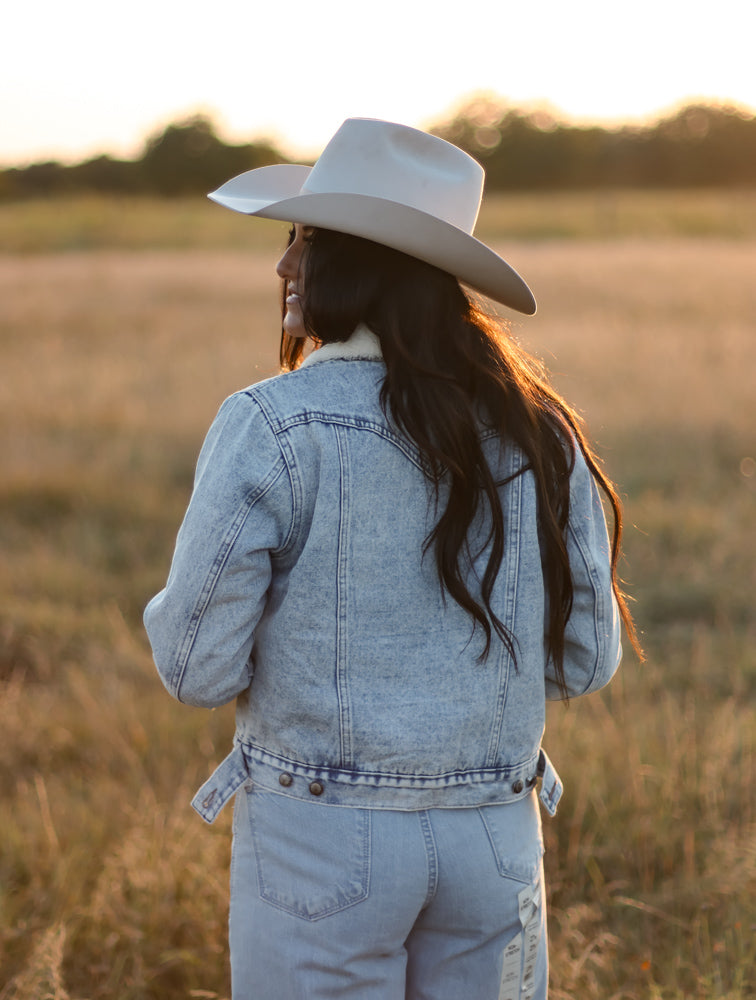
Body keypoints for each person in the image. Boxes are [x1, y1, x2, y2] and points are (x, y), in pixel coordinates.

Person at [144, 118, 641, 1000]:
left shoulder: (271, 423)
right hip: (495, 838)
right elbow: (585, 661)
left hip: (320, 839)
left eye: (302, 240)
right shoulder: (543, 431)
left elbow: (194, 667)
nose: (283, 267)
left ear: (357, 262)